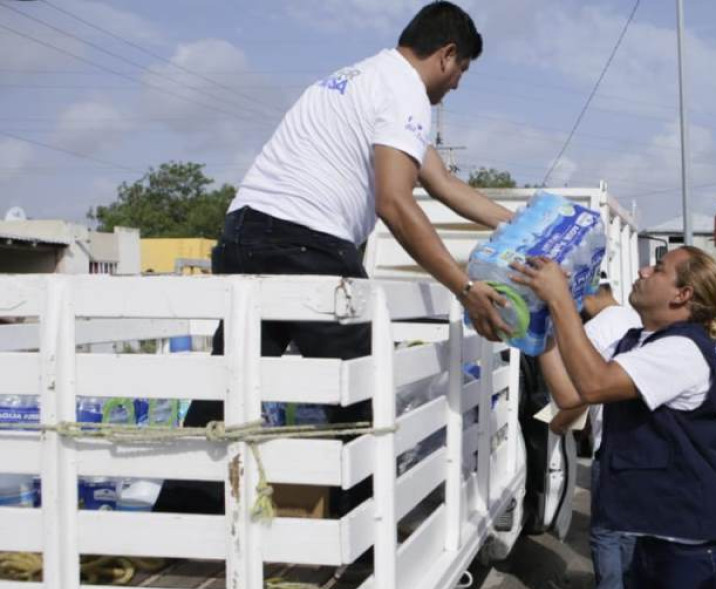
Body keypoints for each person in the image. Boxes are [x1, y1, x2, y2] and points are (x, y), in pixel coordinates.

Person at [157, 2, 514, 514]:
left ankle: (172, 524)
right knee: (365, 391)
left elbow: (443, 182)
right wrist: (464, 288)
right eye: (461, 72)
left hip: (243, 234)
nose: (456, 85)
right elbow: (395, 200)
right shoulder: (406, 92)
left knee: (229, 392)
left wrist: (522, 225)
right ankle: (362, 552)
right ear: (447, 54)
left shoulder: (362, 78)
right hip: (304, 243)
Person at [518, 247, 716, 589]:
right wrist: (542, 329)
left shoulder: (684, 349)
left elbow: (595, 385)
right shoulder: (638, 340)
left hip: (693, 542)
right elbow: (571, 395)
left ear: (682, 295)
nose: (642, 270)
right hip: (655, 536)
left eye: (658, 269)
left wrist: (560, 299)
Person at [540, 274, 641, 589]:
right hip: (641, 448)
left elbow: (581, 394)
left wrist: (558, 425)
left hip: (612, 447)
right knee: (630, 535)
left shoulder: (593, 332)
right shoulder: (637, 320)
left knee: (606, 536)